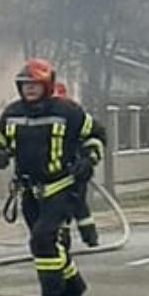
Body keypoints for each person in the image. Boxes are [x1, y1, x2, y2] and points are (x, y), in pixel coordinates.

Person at [0, 60, 106, 296]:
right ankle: (75, 292)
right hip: (29, 190)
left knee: (42, 239)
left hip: (61, 186)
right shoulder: (12, 113)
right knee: (48, 245)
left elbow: (96, 135)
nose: (30, 90)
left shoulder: (68, 112)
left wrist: (89, 160)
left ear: (47, 85)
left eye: (35, 85)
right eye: (25, 85)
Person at [53, 82, 100, 249]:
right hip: (56, 173)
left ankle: (89, 236)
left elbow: (94, 136)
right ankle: (66, 239)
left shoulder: (73, 115)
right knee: (65, 207)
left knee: (78, 203)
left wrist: (88, 159)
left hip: (76, 169)